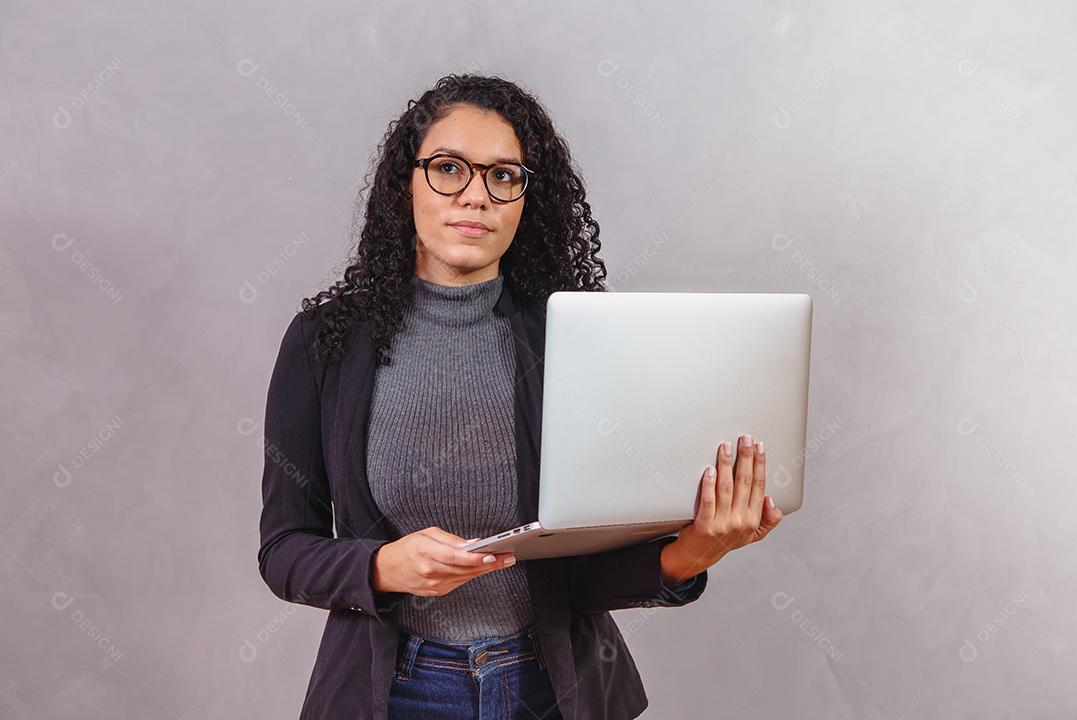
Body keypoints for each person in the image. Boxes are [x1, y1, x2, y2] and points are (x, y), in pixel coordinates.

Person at [257, 73, 785, 720]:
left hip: (552, 689)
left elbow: (580, 576)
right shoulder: (327, 344)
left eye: (504, 176)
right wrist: (381, 567)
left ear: (526, 199)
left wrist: (695, 551)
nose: (476, 195)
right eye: (448, 168)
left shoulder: (573, 340)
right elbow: (284, 551)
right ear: (405, 185)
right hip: (395, 694)